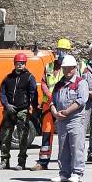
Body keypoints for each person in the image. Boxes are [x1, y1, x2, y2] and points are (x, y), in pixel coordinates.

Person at [0, 52, 38, 171]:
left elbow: (33, 93)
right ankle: (4, 161)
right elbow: (2, 92)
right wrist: (6, 104)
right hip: (9, 110)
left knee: (23, 136)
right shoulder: (8, 78)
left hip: (22, 110)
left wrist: (34, 108)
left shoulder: (29, 77)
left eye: (23, 63)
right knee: (5, 136)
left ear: (25, 64)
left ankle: (21, 162)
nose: (20, 65)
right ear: (14, 64)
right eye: (18, 63)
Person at [50, 55, 89, 182]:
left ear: (74, 68)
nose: (67, 71)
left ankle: (77, 172)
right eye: (65, 68)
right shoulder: (59, 85)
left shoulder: (81, 83)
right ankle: (64, 173)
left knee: (76, 146)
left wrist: (67, 111)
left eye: (69, 68)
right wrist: (55, 113)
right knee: (63, 147)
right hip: (61, 119)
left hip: (75, 119)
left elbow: (81, 100)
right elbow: (52, 101)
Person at [31, 43, 67, 172]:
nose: (62, 52)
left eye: (65, 50)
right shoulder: (49, 66)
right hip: (48, 105)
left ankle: (65, 163)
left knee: (66, 135)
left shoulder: (71, 67)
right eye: (60, 50)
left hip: (64, 105)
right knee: (46, 133)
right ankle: (43, 161)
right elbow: (44, 83)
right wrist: (50, 96)